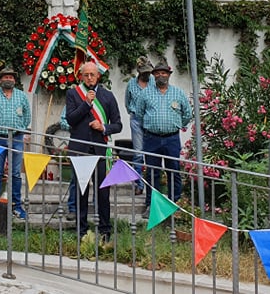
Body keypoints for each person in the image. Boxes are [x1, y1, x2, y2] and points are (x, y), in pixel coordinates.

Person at [65, 62, 122, 241]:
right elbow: (71, 119)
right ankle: (81, 231)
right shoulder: (73, 94)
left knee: (103, 193)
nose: (89, 78)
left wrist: (103, 127)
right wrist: (87, 103)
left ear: (98, 76)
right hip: (80, 151)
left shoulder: (107, 96)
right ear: (81, 76)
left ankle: (105, 231)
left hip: (100, 151)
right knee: (81, 192)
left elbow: (118, 125)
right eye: (86, 75)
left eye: (92, 74)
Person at [134, 62, 192, 219]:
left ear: (169, 75)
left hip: (172, 138)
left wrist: (177, 125)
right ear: (153, 75)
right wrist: (150, 125)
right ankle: (152, 205)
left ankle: (174, 204)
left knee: (174, 171)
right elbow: (139, 114)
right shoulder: (145, 94)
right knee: (152, 173)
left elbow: (187, 113)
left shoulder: (178, 93)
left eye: (164, 73)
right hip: (151, 138)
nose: (161, 75)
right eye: (158, 73)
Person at [0, 66, 31, 219]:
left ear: (15, 80)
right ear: (0, 80)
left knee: (16, 173)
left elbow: (27, 117)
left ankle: (17, 206)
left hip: (16, 138)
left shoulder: (22, 97)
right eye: (6, 77)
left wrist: (20, 129)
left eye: (11, 77)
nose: (8, 79)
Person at [124, 56, 154, 196]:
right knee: (138, 153)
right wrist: (133, 113)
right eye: (144, 72)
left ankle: (152, 186)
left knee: (152, 153)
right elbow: (127, 102)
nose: (147, 74)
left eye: (148, 72)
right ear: (139, 72)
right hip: (136, 119)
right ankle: (139, 184)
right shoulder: (131, 84)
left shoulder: (154, 82)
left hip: (151, 119)